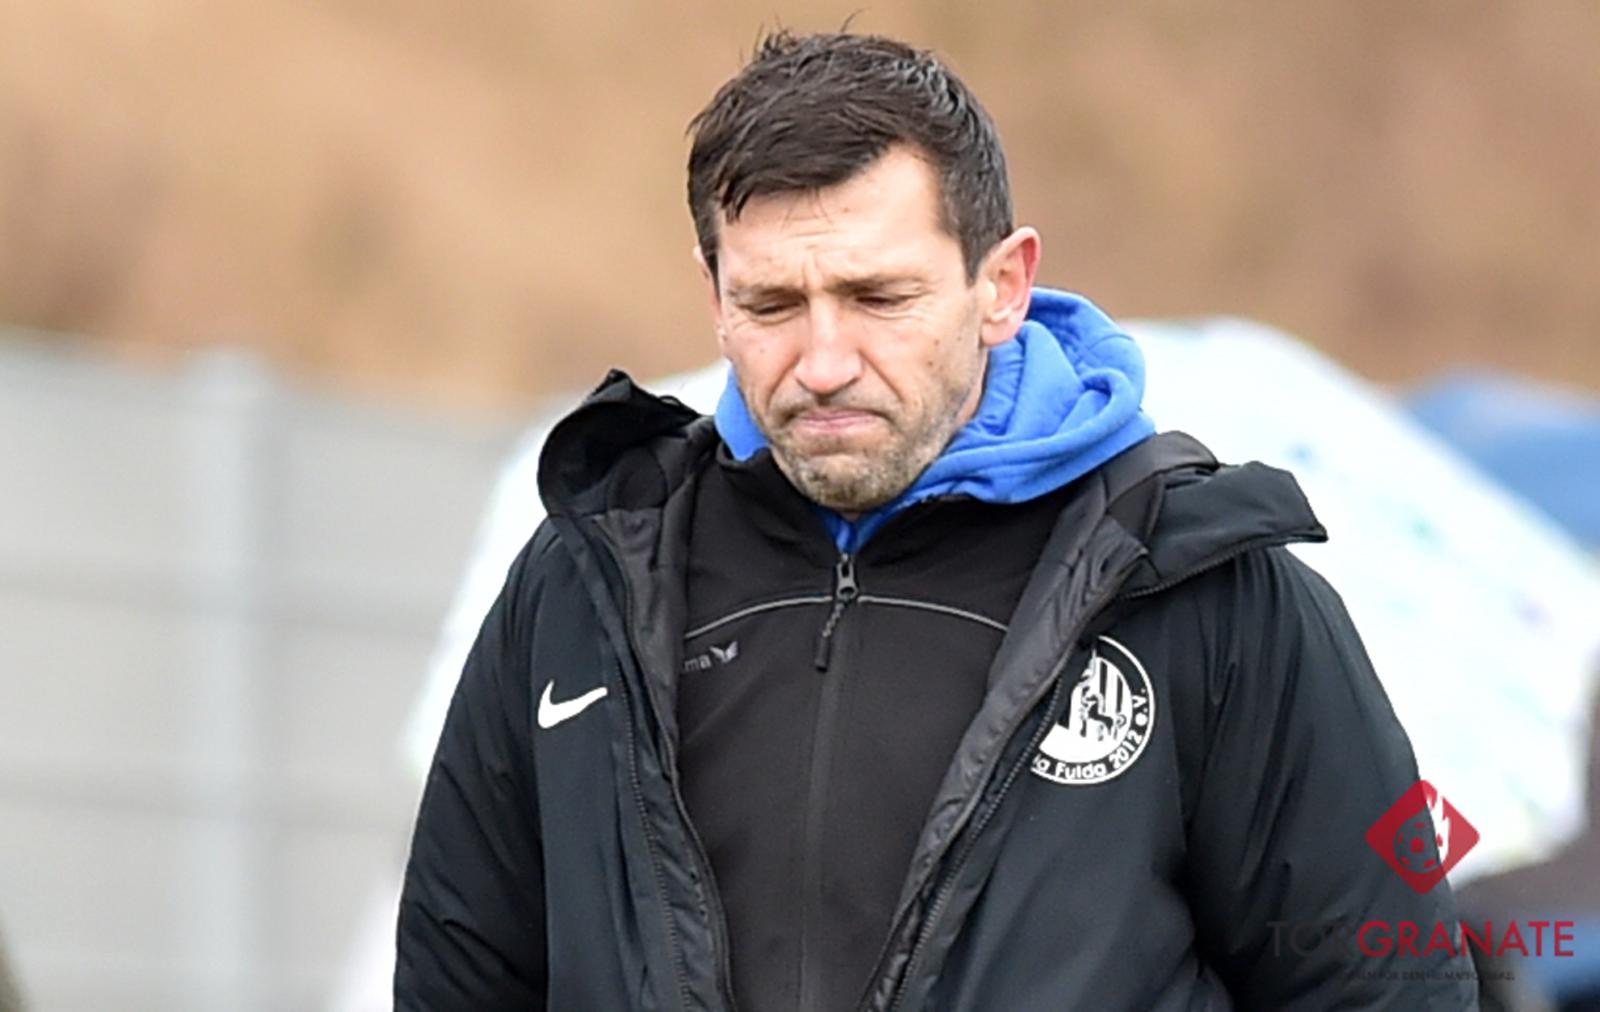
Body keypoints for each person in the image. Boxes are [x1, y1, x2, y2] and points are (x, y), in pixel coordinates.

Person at [395, 30, 1477, 1011]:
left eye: (878, 298)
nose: (823, 362)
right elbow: (457, 983)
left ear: (1001, 285)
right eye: (772, 304)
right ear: (714, 296)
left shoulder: (1207, 589)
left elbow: (1389, 989)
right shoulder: (584, 580)